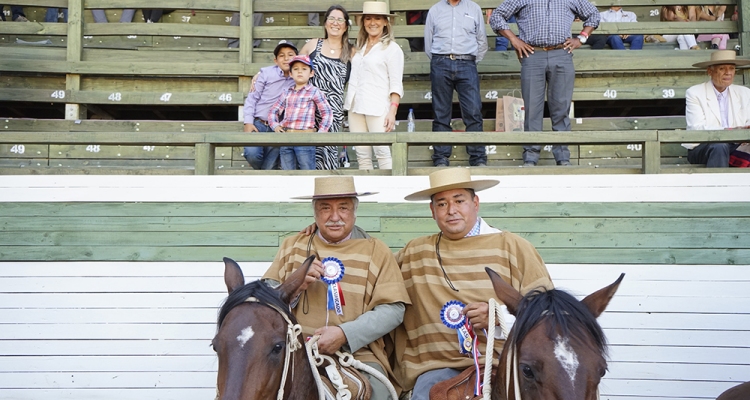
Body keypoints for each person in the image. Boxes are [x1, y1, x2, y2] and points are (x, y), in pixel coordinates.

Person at [392, 168, 554, 399]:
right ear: (432, 211)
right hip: (435, 368)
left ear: (475, 202)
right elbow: (374, 272)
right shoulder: (415, 252)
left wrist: (499, 317)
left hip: (507, 364)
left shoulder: (513, 247)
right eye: (442, 204)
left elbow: (548, 313)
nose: (451, 211)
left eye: (459, 200)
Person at [263, 176, 411, 400]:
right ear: (315, 213)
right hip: (293, 350)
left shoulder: (376, 250)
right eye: (325, 208)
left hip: (359, 354)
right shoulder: (292, 246)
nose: (334, 217)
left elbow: (393, 309)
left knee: (380, 394)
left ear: (354, 211)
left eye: (343, 208)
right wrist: (293, 286)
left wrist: (345, 334)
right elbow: (264, 301)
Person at [490, 0, 600, 167]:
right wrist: (514, 39)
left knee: (561, 107)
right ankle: (530, 157)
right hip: (533, 54)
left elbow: (594, 14)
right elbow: (496, 16)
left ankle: (563, 157)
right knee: (532, 108)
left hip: (562, 53)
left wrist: (582, 38)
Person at [425, 0, 488, 167]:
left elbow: (482, 41)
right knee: (441, 113)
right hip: (441, 61)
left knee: (473, 111)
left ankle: (477, 157)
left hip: (467, 62)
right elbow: (428, 43)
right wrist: (441, 60)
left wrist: (471, 61)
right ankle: (440, 157)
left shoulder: (474, 8)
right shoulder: (435, 10)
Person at [345, 1, 404, 170]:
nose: (373, 22)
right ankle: (367, 195)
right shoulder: (360, 47)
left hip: (377, 107)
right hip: (355, 106)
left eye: (378, 18)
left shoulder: (392, 49)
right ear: (363, 22)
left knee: (382, 153)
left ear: (386, 21)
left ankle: (390, 194)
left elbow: (395, 83)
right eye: (368, 18)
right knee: (362, 155)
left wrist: (392, 111)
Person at [299, 5, 355, 170]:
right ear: (325, 23)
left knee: (327, 160)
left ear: (345, 26)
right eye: (331, 18)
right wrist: (261, 74)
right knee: (306, 159)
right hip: (308, 112)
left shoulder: (352, 51)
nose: (335, 23)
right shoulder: (312, 45)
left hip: (333, 116)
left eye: (340, 19)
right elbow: (291, 68)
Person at [684, 50, 750, 167]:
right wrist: (730, 132)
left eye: (731, 68)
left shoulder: (745, 93)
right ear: (710, 71)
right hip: (703, 147)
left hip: (738, 145)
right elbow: (696, 128)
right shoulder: (695, 93)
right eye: (722, 69)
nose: (728, 73)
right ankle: (719, 185)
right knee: (720, 146)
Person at [268, 54, 333, 170]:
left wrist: (322, 131)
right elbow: (274, 110)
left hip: (306, 138)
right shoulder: (287, 92)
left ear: (311, 73)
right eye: (296, 69)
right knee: (287, 171)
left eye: (304, 69)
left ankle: (308, 188)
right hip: (286, 137)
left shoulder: (314, 92)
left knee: (307, 170)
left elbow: (327, 112)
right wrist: (275, 125)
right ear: (291, 74)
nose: (300, 72)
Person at [242, 41, 297, 170]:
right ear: (275, 60)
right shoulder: (265, 74)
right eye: (281, 56)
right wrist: (248, 122)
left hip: (278, 127)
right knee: (252, 155)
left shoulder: (298, 77)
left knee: (269, 167)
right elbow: (252, 99)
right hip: (258, 123)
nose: (286, 58)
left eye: (290, 55)